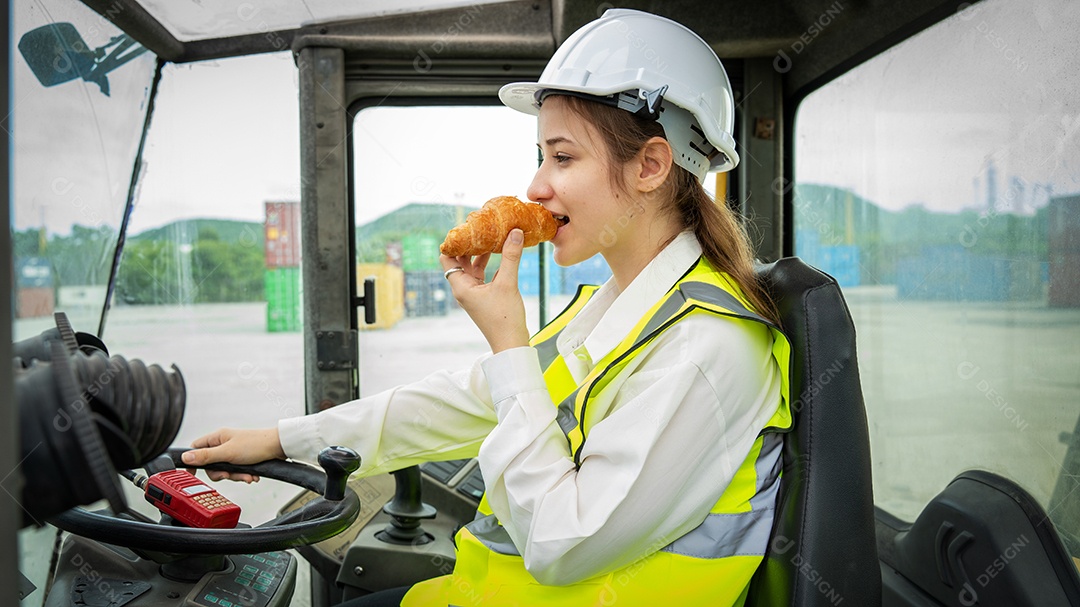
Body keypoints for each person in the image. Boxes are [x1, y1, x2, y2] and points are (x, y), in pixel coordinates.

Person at [182, 8, 792, 606]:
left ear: (651, 166)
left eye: (563, 156)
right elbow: (465, 399)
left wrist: (508, 344)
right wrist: (283, 438)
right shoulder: (622, 309)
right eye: (540, 157)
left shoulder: (705, 349)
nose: (535, 187)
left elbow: (561, 542)